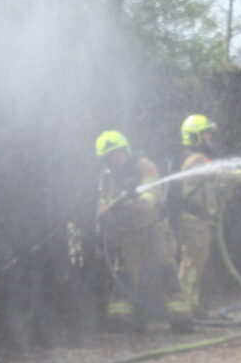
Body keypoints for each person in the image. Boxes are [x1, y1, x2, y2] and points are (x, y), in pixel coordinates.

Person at [94, 130, 170, 330]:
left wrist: (141, 202)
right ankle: (121, 319)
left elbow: (153, 191)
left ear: (126, 150)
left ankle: (181, 318)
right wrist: (103, 212)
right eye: (110, 156)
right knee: (126, 273)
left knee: (165, 268)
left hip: (153, 227)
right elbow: (103, 199)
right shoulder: (107, 175)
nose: (115, 158)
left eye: (118, 153)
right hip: (128, 231)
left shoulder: (144, 166)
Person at [167, 114, 228, 327]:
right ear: (195, 137)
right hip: (193, 221)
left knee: (196, 263)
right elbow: (224, 174)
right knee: (191, 263)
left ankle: (190, 307)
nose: (210, 137)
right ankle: (180, 312)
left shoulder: (192, 158)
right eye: (206, 133)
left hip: (197, 221)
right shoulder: (196, 160)